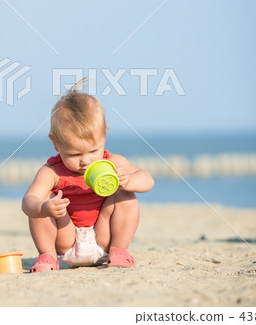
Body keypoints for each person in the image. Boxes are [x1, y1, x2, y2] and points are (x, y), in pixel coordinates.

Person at [21, 80, 155, 272]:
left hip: (104, 241)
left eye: (93, 150)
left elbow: (147, 180)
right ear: (55, 144)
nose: (86, 161)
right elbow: (28, 201)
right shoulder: (52, 171)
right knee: (43, 200)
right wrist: (43, 208)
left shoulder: (112, 162)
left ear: (104, 134)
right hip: (66, 241)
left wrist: (129, 181)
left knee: (125, 194)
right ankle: (47, 255)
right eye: (74, 155)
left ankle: (119, 250)